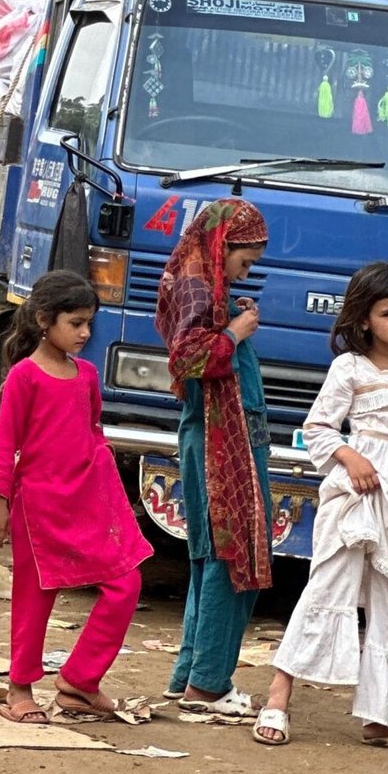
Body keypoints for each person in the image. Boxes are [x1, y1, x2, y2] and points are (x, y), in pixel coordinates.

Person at [257, 262, 388, 751]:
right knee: (327, 587)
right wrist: (350, 455)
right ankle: (277, 700)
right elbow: (319, 428)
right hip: (359, 498)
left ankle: (380, 716)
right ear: (364, 320)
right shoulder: (351, 369)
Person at [0, 269, 148, 725]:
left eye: (89, 323)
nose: (85, 333)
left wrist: (108, 492)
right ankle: (20, 688)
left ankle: (79, 681)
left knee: (126, 583)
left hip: (86, 500)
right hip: (37, 506)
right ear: (43, 320)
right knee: (35, 595)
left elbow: (94, 433)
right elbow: (5, 441)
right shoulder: (24, 377)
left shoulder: (88, 374)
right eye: (75, 323)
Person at [155, 197, 273, 716]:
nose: (246, 272)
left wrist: (232, 322)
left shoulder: (203, 286)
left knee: (213, 555)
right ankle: (208, 682)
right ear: (222, 245)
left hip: (223, 436)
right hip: (221, 441)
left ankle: (190, 676)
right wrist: (234, 334)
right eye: (244, 261)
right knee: (234, 556)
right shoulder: (198, 286)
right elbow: (187, 357)